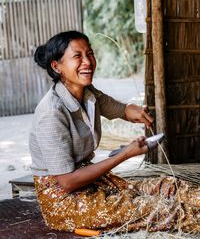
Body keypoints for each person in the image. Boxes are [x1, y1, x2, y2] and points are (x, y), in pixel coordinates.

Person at [29, 31, 200, 234]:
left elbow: (115, 107)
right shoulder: (51, 113)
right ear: (56, 66)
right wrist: (124, 154)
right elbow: (67, 182)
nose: (88, 62)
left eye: (90, 53)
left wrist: (132, 110)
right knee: (164, 209)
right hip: (65, 201)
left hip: (92, 184)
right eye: (77, 56)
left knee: (168, 186)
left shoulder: (87, 92)